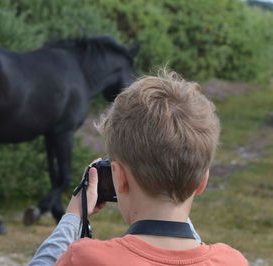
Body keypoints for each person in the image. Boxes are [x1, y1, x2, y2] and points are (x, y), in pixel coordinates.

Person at [28, 71, 248, 265]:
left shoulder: (85, 258)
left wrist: (74, 216)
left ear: (119, 177)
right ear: (202, 181)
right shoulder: (232, 261)